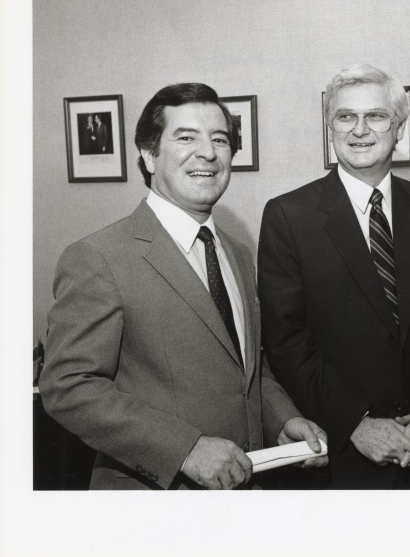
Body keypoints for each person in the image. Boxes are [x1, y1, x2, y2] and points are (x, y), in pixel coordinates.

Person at [39, 83, 327, 490]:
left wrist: (283, 419)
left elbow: (248, 371)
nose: (207, 152)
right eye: (186, 137)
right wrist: (185, 449)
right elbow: (67, 386)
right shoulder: (98, 257)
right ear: (149, 154)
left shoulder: (239, 253)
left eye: (220, 140)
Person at [258, 64, 410, 489]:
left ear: (399, 129)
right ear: (330, 128)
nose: (360, 130)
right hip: (342, 459)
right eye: (345, 117)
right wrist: (355, 425)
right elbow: (287, 343)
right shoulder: (289, 216)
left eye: (376, 116)